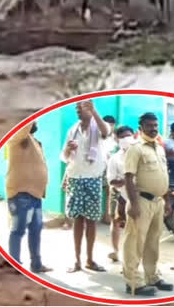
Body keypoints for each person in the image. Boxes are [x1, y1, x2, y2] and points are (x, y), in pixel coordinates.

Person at [122, 112, 174, 296]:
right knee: (135, 242)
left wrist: (166, 200)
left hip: (158, 202)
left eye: (155, 125)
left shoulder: (159, 148)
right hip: (141, 201)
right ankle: (133, 282)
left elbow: (163, 176)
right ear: (141, 127)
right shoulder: (135, 148)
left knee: (153, 242)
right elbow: (128, 177)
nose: (153, 128)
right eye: (149, 125)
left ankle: (152, 276)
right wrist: (134, 204)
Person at [60, 100, 110, 273]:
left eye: (82, 109)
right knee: (77, 220)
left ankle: (90, 259)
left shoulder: (98, 127)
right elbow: (65, 158)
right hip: (75, 177)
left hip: (93, 178)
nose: (79, 112)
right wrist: (67, 149)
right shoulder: (72, 131)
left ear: (90, 109)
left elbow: (106, 132)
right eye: (77, 110)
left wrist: (94, 111)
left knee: (92, 221)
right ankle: (77, 261)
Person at [5, 121, 52, 273]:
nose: (35, 121)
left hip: (36, 195)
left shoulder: (32, 140)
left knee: (35, 231)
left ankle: (36, 265)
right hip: (21, 193)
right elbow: (24, 125)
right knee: (18, 231)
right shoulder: (16, 136)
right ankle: (15, 266)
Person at [106, 126, 136, 263]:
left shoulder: (139, 153)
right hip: (119, 193)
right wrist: (125, 181)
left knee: (134, 225)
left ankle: (132, 254)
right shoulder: (115, 158)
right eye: (122, 137)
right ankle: (115, 250)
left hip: (136, 194)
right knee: (116, 220)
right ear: (117, 139)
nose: (126, 139)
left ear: (134, 135)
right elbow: (111, 180)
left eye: (128, 135)